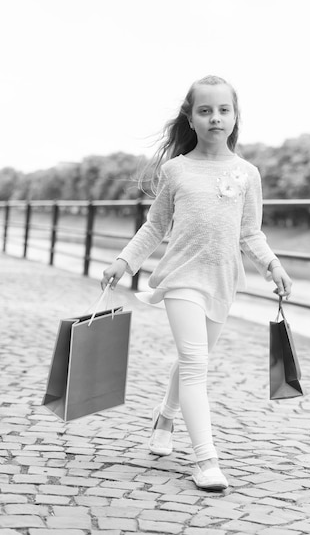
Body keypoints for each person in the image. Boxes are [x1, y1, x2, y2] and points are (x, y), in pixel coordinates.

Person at [101, 75, 292, 491]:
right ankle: (206, 461)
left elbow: (250, 233)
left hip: (223, 280)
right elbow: (154, 227)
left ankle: (165, 416)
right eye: (205, 110)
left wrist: (272, 265)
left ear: (235, 115)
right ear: (191, 117)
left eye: (223, 110)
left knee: (195, 357)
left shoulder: (247, 174)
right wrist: (125, 260)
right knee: (195, 364)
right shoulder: (176, 170)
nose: (215, 118)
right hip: (182, 278)